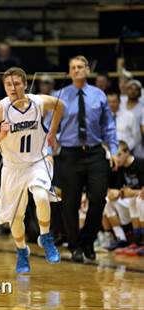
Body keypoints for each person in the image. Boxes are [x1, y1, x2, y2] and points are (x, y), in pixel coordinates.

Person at [0, 67, 64, 273]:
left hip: (38, 161)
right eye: (8, 85)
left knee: (42, 196)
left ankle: (45, 236)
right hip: (13, 167)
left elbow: (60, 105)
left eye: (17, 84)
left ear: (25, 84)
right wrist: (0, 135)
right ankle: (22, 251)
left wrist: (52, 132)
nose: (13, 88)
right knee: (15, 219)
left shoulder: (38, 101)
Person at [58, 55, 118, 263]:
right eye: (73, 67)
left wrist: (114, 150)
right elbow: (49, 126)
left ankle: (88, 240)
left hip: (94, 153)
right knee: (70, 203)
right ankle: (75, 246)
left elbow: (108, 125)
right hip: (69, 154)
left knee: (99, 198)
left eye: (80, 67)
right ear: (69, 72)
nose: (77, 70)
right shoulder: (60, 96)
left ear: (87, 70)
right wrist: (52, 146)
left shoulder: (98, 95)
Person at [104, 141, 144, 255]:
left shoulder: (140, 163)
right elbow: (119, 189)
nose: (117, 158)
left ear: (127, 152)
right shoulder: (119, 168)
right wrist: (117, 192)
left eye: (119, 154)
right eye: (115, 155)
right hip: (132, 199)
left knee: (138, 201)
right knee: (107, 202)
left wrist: (132, 193)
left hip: (139, 198)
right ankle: (123, 239)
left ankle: (140, 240)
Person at [119, 80, 144, 158]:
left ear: (140, 92)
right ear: (126, 91)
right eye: (130, 89)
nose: (133, 91)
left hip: (137, 146)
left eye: (136, 89)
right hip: (120, 146)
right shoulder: (120, 105)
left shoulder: (142, 108)